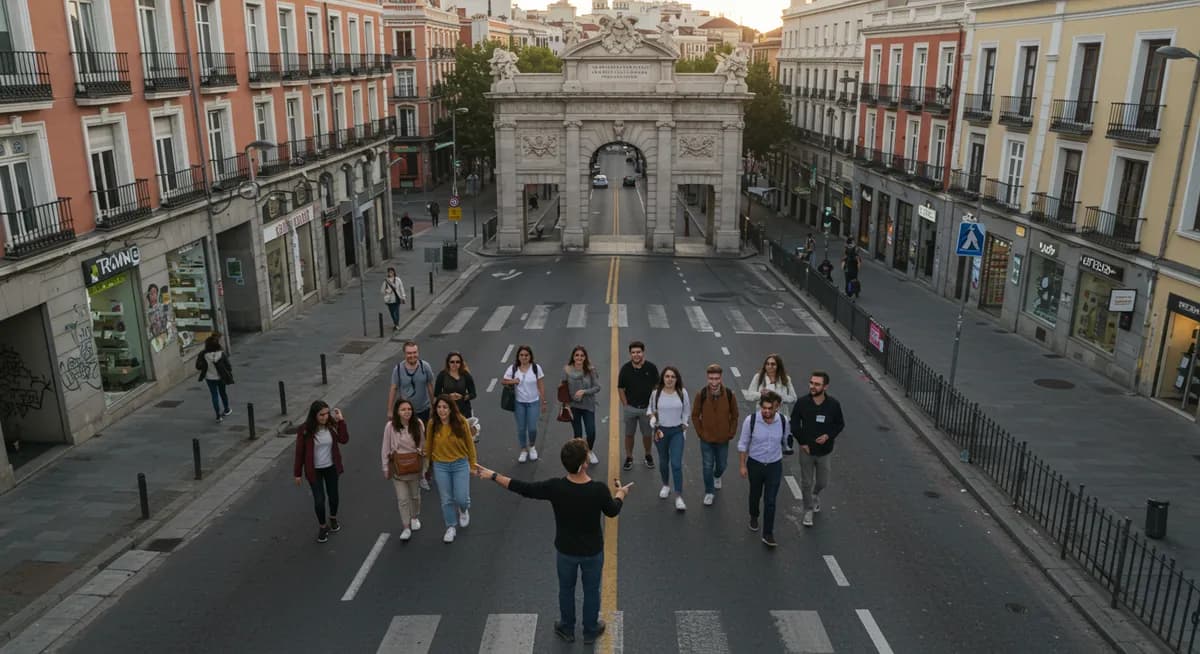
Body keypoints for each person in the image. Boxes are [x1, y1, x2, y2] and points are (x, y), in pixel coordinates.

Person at [474, 440, 631, 645]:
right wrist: (620, 494)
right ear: (584, 463)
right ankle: (591, 630)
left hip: (566, 551)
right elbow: (612, 511)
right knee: (592, 591)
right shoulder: (598, 490)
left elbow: (524, 488)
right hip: (592, 552)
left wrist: (493, 475)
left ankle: (567, 628)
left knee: (566, 590)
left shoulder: (555, 487)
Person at [790, 371, 846, 528]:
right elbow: (794, 423)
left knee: (822, 481)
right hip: (806, 450)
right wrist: (802, 443)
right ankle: (808, 509)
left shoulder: (833, 405)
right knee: (806, 482)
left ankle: (815, 494)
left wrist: (828, 436)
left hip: (824, 451)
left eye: (817, 384)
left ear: (825, 387)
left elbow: (839, 424)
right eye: (811, 383)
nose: (813, 386)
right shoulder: (802, 403)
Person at [293, 401, 350, 543]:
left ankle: (333, 518)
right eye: (321, 415)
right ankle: (323, 526)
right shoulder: (305, 430)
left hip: (331, 467)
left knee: (333, 496)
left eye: (327, 413)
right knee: (319, 500)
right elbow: (299, 453)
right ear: (314, 415)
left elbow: (344, 439)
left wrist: (341, 421)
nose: (325, 417)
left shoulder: (332, 425)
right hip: (314, 470)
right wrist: (297, 473)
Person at [738, 391, 787, 547]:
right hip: (755, 464)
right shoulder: (751, 421)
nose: (766, 411)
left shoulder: (783, 421)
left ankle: (768, 533)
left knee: (770, 500)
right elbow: (743, 444)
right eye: (763, 408)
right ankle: (754, 515)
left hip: (774, 465)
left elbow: (786, 440)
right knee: (755, 494)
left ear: (776, 408)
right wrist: (742, 465)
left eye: (769, 408)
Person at [425, 395, 476, 543]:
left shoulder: (461, 421)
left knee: (461, 498)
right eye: (439, 407)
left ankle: (463, 509)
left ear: (451, 409)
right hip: (440, 465)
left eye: (445, 407)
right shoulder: (432, 424)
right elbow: (428, 445)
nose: (442, 410)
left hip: (460, 464)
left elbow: (470, 444)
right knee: (446, 498)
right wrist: (426, 467)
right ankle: (450, 527)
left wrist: (473, 465)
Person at [691, 364, 740, 506]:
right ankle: (709, 492)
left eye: (716, 378)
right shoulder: (701, 394)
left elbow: (735, 415)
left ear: (721, 378)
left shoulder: (729, 395)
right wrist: (700, 432)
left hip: (723, 439)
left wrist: (731, 432)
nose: (714, 382)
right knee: (707, 466)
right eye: (711, 378)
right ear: (707, 378)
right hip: (706, 439)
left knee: (722, 465)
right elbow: (695, 415)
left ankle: (717, 475)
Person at [647, 366, 690, 511]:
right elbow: (650, 409)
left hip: (677, 431)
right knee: (663, 461)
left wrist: (684, 424)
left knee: (676, 464)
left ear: (677, 379)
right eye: (667, 376)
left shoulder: (682, 392)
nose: (670, 379)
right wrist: (652, 418)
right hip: (661, 431)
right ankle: (665, 485)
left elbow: (686, 410)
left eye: (673, 377)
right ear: (663, 378)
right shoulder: (656, 393)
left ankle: (678, 496)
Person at [381, 399, 424, 541]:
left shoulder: (418, 424)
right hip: (398, 468)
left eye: (409, 409)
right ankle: (406, 527)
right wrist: (385, 467)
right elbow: (385, 448)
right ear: (397, 412)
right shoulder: (390, 427)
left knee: (415, 496)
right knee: (403, 499)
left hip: (414, 467)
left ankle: (414, 517)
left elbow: (423, 445)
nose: (407, 412)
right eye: (403, 409)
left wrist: (422, 458)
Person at [617, 341, 659, 471]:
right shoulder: (625, 369)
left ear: (643, 352)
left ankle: (648, 455)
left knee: (647, 435)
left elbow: (656, 387)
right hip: (630, 408)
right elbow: (620, 388)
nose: (636, 355)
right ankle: (629, 457)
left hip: (647, 409)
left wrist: (653, 406)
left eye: (638, 352)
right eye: (633, 352)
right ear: (630, 354)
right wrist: (625, 405)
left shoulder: (651, 368)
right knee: (629, 434)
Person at [746, 354, 798, 454]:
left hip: (780, 418)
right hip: (763, 417)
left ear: (778, 366)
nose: (770, 366)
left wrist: (778, 397)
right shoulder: (758, 377)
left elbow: (793, 398)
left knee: (777, 448)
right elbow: (749, 396)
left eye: (773, 364)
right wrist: (761, 395)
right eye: (767, 364)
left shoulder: (785, 379)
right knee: (763, 445)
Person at [501, 345, 545, 463]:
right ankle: (523, 449)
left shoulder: (536, 368)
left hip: (533, 402)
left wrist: (543, 401)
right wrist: (513, 381)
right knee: (521, 428)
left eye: (526, 355)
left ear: (530, 356)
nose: (524, 357)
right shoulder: (513, 368)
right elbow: (503, 381)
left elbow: (540, 384)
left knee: (532, 428)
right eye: (521, 355)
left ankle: (532, 446)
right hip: (519, 403)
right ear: (518, 356)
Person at [562, 345, 602, 464]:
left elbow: (597, 387)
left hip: (588, 406)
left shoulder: (590, 370)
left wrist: (584, 392)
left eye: (582, 355)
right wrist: (566, 406)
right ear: (573, 357)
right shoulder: (567, 370)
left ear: (585, 357)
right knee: (577, 433)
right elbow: (563, 389)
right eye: (577, 355)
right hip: (573, 406)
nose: (579, 358)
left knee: (591, 431)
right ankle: (580, 456)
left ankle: (589, 451)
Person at [387, 341, 435, 423]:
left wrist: (434, 406)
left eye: (414, 352)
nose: (412, 355)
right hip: (405, 412)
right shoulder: (398, 369)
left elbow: (430, 386)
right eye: (409, 353)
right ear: (404, 354)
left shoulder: (425, 367)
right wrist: (390, 410)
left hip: (424, 410)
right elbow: (393, 389)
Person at [195, 334, 233, 422]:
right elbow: (228, 366)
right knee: (223, 393)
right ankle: (226, 409)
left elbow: (198, 366)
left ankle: (218, 416)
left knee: (214, 395)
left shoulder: (203, 354)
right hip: (221, 377)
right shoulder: (221, 354)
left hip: (209, 378)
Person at [434, 351, 477, 420]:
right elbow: (437, 393)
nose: (455, 364)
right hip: (447, 410)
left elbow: (473, 394)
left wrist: (462, 397)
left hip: (464, 410)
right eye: (452, 362)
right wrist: (448, 396)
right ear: (448, 363)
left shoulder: (466, 375)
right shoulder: (442, 375)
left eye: (457, 362)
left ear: (461, 363)